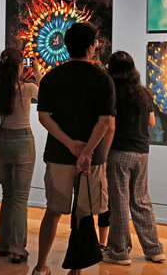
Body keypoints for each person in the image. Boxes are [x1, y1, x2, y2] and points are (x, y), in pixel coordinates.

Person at [32, 22, 116, 275]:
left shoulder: (51, 77)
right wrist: (87, 151)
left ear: (66, 47)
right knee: (83, 214)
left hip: (58, 155)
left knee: (53, 212)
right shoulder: (103, 78)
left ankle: (40, 267)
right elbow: (105, 122)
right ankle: (75, 271)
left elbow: (44, 116)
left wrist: (69, 143)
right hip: (91, 159)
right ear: (91, 47)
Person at [102, 51, 165, 265]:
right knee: (141, 200)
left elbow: (110, 127)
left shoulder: (112, 92)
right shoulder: (143, 93)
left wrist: (103, 155)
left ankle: (119, 252)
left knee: (119, 203)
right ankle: (154, 249)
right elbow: (151, 123)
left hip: (119, 152)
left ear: (111, 68)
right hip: (142, 152)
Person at [0, 48, 42, 264]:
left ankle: (4, 244)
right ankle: (17, 249)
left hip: (2, 142)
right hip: (23, 143)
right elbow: (48, 95)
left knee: (8, 196)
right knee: (20, 198)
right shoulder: (28, 88)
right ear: (20, 67)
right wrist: (37, 73)